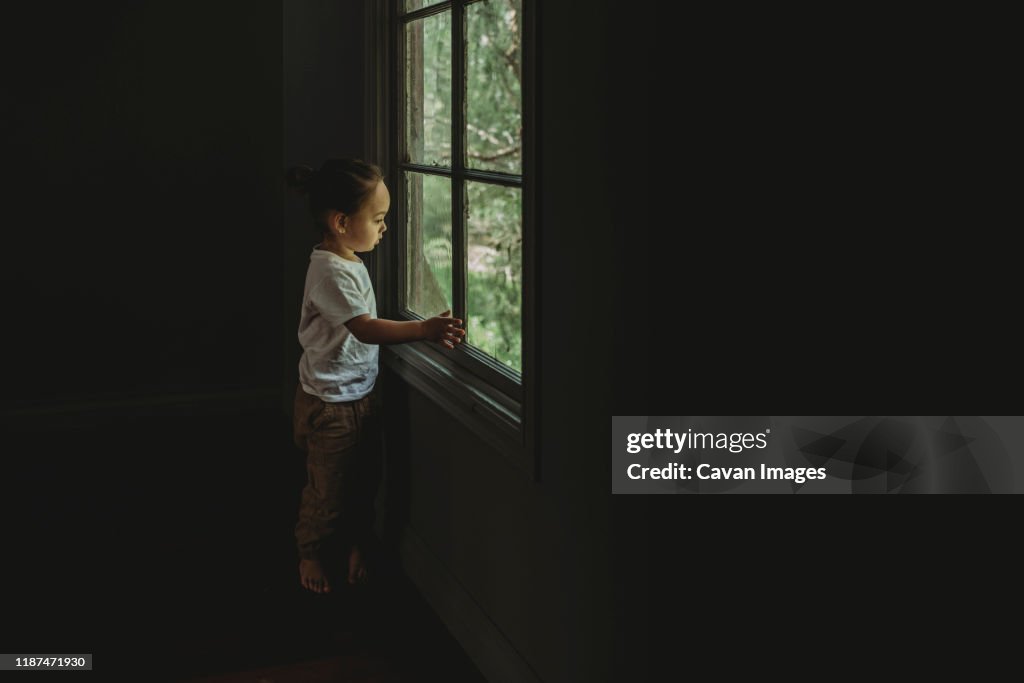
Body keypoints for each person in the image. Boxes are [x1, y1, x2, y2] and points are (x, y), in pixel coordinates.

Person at [285, 158, 465, 594]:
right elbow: (364, 327)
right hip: (331, 405)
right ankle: (310, 550)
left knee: (365, 482)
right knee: (328, 493)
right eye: (379, 219)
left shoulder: (347, 258)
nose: (385, 228)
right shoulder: (329, 272)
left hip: (359, 394)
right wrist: (423, 329)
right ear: (342, 222)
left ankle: (355, 544)